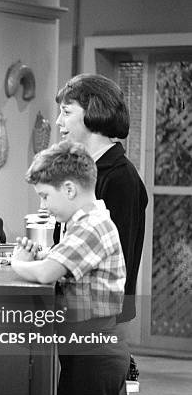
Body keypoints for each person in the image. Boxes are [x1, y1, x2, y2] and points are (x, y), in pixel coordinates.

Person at [11, 140, 140, 395]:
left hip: (95, 352)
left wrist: (20, 263)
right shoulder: (84, 224)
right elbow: (58, 264)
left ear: (70, 189)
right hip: (92, 347)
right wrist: (43, 258)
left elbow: (47, 274)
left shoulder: (91, 227)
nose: (44, 206)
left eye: (46, 196)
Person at [54, 73, 148, 324]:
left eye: (66, 112)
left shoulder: (120, 178)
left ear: (91, 113)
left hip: (100, 317)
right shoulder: (86, 171)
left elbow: (118, 260)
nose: (57, 121)